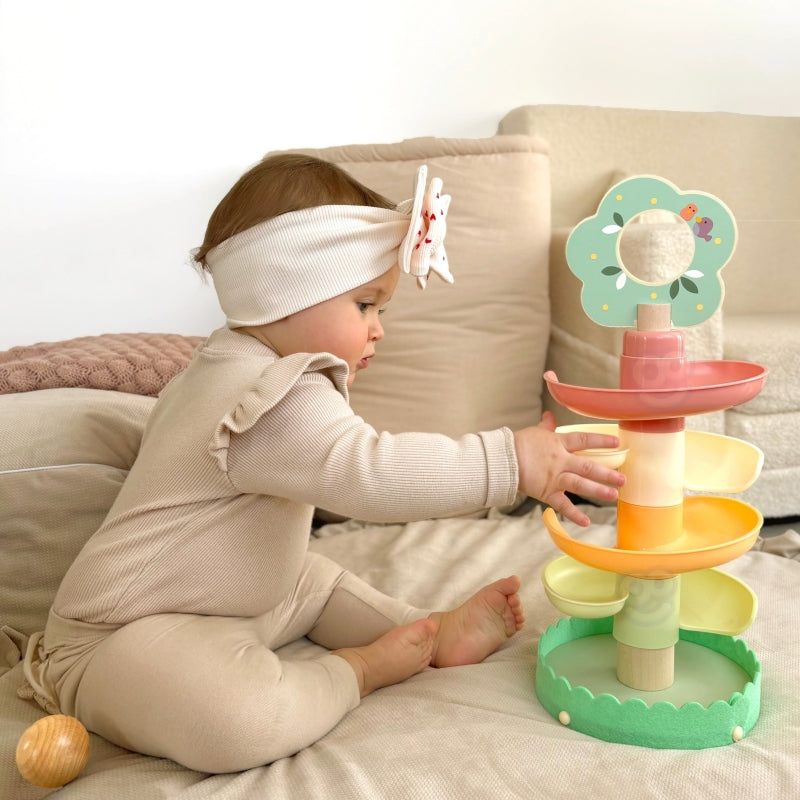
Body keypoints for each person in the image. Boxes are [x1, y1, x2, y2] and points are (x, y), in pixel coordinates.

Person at [21, 154, 624, 774]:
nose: (379, 329)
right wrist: (509, 462)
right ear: (284, 293)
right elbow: (369, 474)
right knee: (241, 720)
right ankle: (357, 669)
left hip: (232, 597)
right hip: (119, 637)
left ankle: (429, 630)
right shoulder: (267, 395)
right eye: (365, 304)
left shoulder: (226, 365)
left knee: (312, 581)